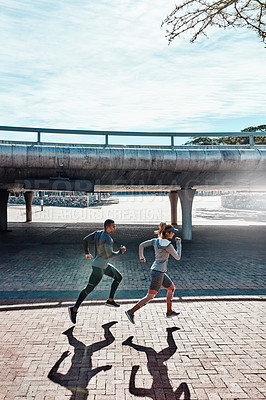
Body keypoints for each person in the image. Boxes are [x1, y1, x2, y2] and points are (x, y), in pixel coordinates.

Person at [68, 219, 126, 324]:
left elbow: (85, 239)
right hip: (99, 268)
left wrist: (86, 252)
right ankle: (74, 309)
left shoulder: (98, 233)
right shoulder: (108, 239)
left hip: (102, 265)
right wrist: (120, 252)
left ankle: (110, 300)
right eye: (113, 226)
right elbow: (109, 255)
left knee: (118, 277)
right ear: (107, 227)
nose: (114, 228)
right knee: (88, 289)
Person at [125, 222, 182, 324]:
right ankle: (131, 311)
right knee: (150, 296)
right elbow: (178, 257)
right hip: (158, 273)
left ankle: (169, 312)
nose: (174, 234)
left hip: (157, 271)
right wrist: (178, 244)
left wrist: (141, 257)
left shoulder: (155, 241)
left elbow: (141, 245)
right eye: (172, 233)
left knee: (171, 288)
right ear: (168, 233)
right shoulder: (168, 245)